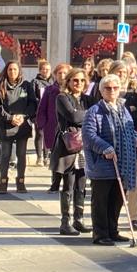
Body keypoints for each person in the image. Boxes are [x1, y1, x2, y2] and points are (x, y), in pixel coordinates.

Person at [83, 73, 137, 245]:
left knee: (116, 200)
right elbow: (89, 135)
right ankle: (100, 234)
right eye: (108, 88)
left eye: (115, 87)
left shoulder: (123, 108)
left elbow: (129, 128)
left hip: (122, 164)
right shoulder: (95, 111)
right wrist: (104, 147)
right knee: (101, 201)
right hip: (103, 164)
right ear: (101, 91)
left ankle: (113, 231)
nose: (112, 91)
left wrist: (135, 137)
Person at [53, 68, 89, 236]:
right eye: (75, 80)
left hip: (85, 146)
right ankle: (65, 221)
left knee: (81, 183)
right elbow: (72, 117)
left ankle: (79, 218)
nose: (79, 84)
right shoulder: (62, 97)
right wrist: (87, 114)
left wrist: (82, 114)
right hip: (69, 146)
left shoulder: (88, 99)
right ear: (68, 81)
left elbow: (90, 116)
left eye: (82, 80)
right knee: (68, 183)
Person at [111, 61, 137, 230]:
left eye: (124, 73)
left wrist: (130, 110)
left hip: (132, 145)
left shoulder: (135, 95)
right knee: (115, 182)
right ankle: (114, 216)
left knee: (134, 182)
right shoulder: (104, 93)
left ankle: (133, 216)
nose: (121, 75)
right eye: (118, 72)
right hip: (112, 145)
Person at [0, 60, 37, 194]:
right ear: (6, 71)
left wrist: (23, 116)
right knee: (5, 155)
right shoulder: (1, 86)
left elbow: (33, 104)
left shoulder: (27, 86)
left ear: (19, 71)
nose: (12, 72)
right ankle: (3, 181)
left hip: (22, 125)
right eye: (10, 69)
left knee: (21, 154)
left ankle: (21, 181)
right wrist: (10, 117)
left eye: (15, 69)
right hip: (7, 125)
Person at [38, 63, 70, 193]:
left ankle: (68, 184)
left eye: (64, 73)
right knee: (55, 157)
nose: (62, 76)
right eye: (59, 73)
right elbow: (42, 108)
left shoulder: (71, 90)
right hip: (53, 127)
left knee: (68, 156)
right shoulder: (50, 90)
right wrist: (42, 124)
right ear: (55, 75)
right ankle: (55, 183)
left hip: (69, 129)